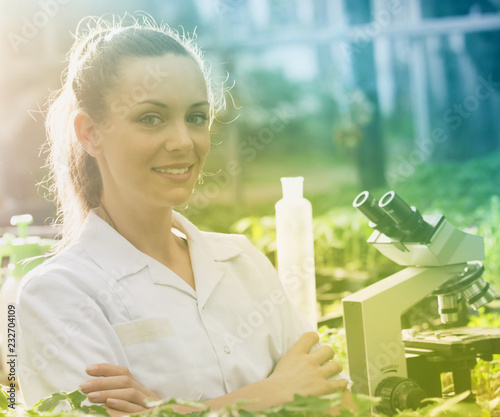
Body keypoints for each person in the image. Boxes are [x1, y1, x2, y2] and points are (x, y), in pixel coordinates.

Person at [17, 15, 352, 415]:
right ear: (90, 132)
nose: (182, 141)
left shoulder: (242, 262)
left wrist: (170, 410)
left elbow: (337, 401)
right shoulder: (58, 293)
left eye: (195, 117)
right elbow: (302, 394)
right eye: (151, 118)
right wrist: (272, 394)